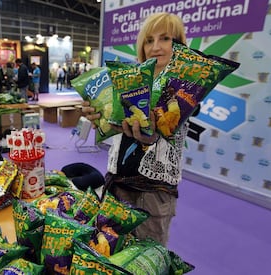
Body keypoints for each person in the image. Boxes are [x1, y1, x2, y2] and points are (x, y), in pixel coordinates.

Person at [82, 12, 188, 246]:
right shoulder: (129, 81)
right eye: (149, 40)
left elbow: (165, 136)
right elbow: (116, 130)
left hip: (151, 195)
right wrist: (99, 119)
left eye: (165, 38)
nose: (156, 47)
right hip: (116, 185)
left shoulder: (184, 87)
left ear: (179, 44)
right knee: (111, 254)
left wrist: (148, 137)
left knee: (145, 263)